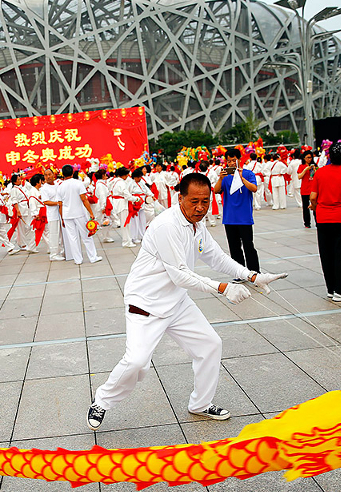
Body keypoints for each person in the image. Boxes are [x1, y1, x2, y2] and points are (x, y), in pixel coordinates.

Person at [86, 173, 286, 431]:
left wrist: (252, 276)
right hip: (146, 304)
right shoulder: (166, 225)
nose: (200, 208)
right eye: (194, 201)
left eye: (205, 201)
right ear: (180, 198)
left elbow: (216, 257)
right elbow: (179, 274)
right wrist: (223, 288)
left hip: (177, 302)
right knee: (137, 361)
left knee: (210, 345)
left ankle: (201, 404)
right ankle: (102, 400)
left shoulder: (197, 224)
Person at [310, 143, 341, 302]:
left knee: (326, 254)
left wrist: (319, 205)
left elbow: (312, 197)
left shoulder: (320, 173)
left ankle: (331, 289)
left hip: (323, 217)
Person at [213, 148, 260, 272]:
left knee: (248, 246)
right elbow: (216, 190)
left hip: (244, 218)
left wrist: (241, 178)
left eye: (234, 160)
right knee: (234, 248)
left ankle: (254, 272)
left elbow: (254, 188)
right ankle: (240, 273)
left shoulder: (249, 174)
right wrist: (220, 178)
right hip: (230, 218)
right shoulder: (226, 178)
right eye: (229, 161)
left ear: (239, 160)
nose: (231, 163)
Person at [58, 165, 102, 265]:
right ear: (72, 173)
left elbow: (60, 204)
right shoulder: (78, 183)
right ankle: (93, 257)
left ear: (63, 174)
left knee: (72, 238)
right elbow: (84, 199)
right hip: (79, 213)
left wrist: (62, 218)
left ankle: (78, 259)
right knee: (86, 235)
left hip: (67, 215)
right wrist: (91, 212)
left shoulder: (60, 186)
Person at [109, 167, 139, 247]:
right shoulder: (121, 183)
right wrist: (135, 199)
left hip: (118, 202)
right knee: (125, 223)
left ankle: (127, 240)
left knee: (125, 223)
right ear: (124, 175)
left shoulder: (114, 181)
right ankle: (126, 241)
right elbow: (126, 194)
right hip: (122, 204)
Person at [41, 169, 66, 259]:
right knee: (54, 234)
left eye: (49, 174)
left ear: (53, 175)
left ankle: (63, 251)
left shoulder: (58, 184)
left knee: (62, 234)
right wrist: (57, 203)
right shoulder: (44, 188)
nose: (48, 177)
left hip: (61, 213)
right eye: (46, 175)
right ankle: (54, 254)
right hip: (52, 214)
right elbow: (46, 201)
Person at [298, 150, 317, 228]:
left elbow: (318, 175)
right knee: (306, 207)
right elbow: (299, 176)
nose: (309, 159)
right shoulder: (301, 166)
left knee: (316, 206)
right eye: (307, 158)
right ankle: (307, 223)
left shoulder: (314, 165)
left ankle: (318, 221)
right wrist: (306, 169)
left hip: (313, 189)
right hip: (305, 189)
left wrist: (314, 169)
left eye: (310, 157)